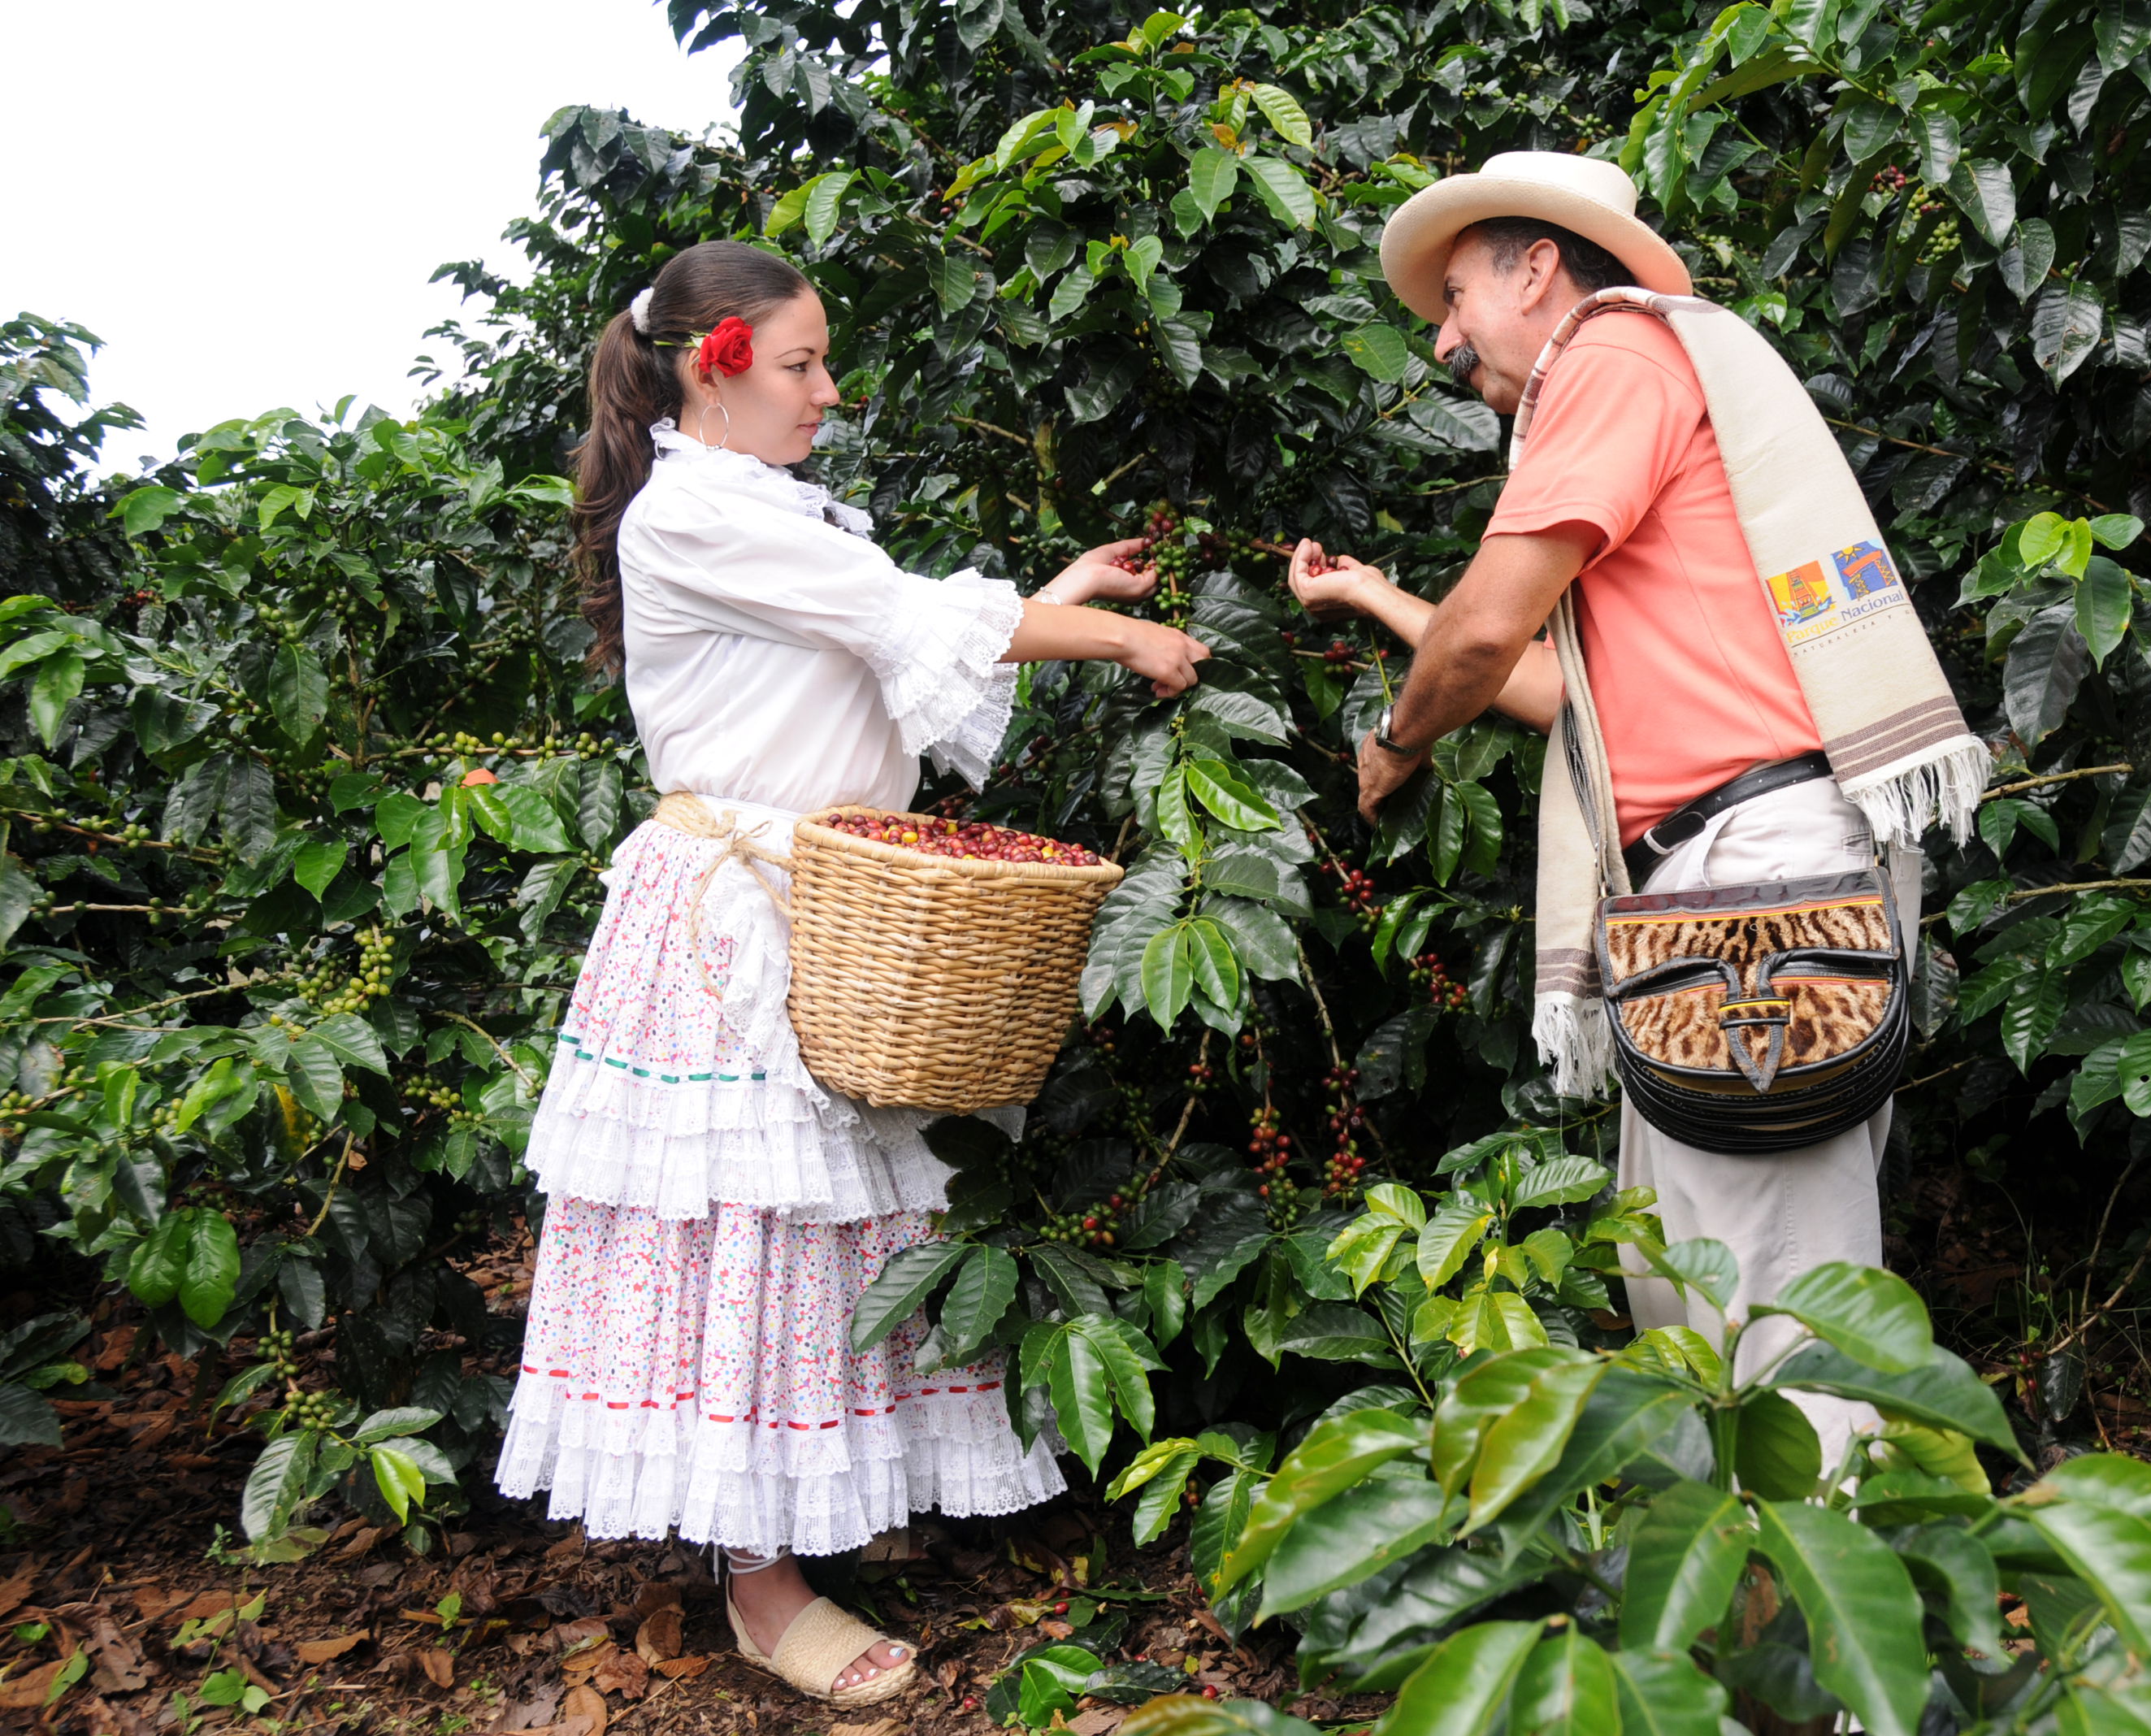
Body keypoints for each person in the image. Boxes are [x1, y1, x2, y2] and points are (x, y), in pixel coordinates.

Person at [496, 239, 1208, 1708]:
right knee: (750, 1239)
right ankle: (757, 1587)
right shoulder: (692, 510)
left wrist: (1062, 593)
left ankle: (805, 1523)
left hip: (828, 900)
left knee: (834, 1240)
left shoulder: (762, 503)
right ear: (720, 363)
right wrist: (1123, 635)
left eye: (824, 360)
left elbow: (885, 640)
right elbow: (903, 623)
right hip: (734, 919)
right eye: (804, 363)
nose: (828, 390)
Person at [1318, 153, 1978, 1464]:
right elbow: (1559, 686)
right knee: (1692, 1279)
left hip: (1752, 870)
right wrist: (1380, 603)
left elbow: (1483, 636)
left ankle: (1834, 1640)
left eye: (1453, 297)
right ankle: (1750, 1624)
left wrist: (1397, 741)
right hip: (1706, 880)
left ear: (1538, 267)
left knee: (1776, 1289)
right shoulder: (1633, 384)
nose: (1445, 338)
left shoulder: (1609, 360)